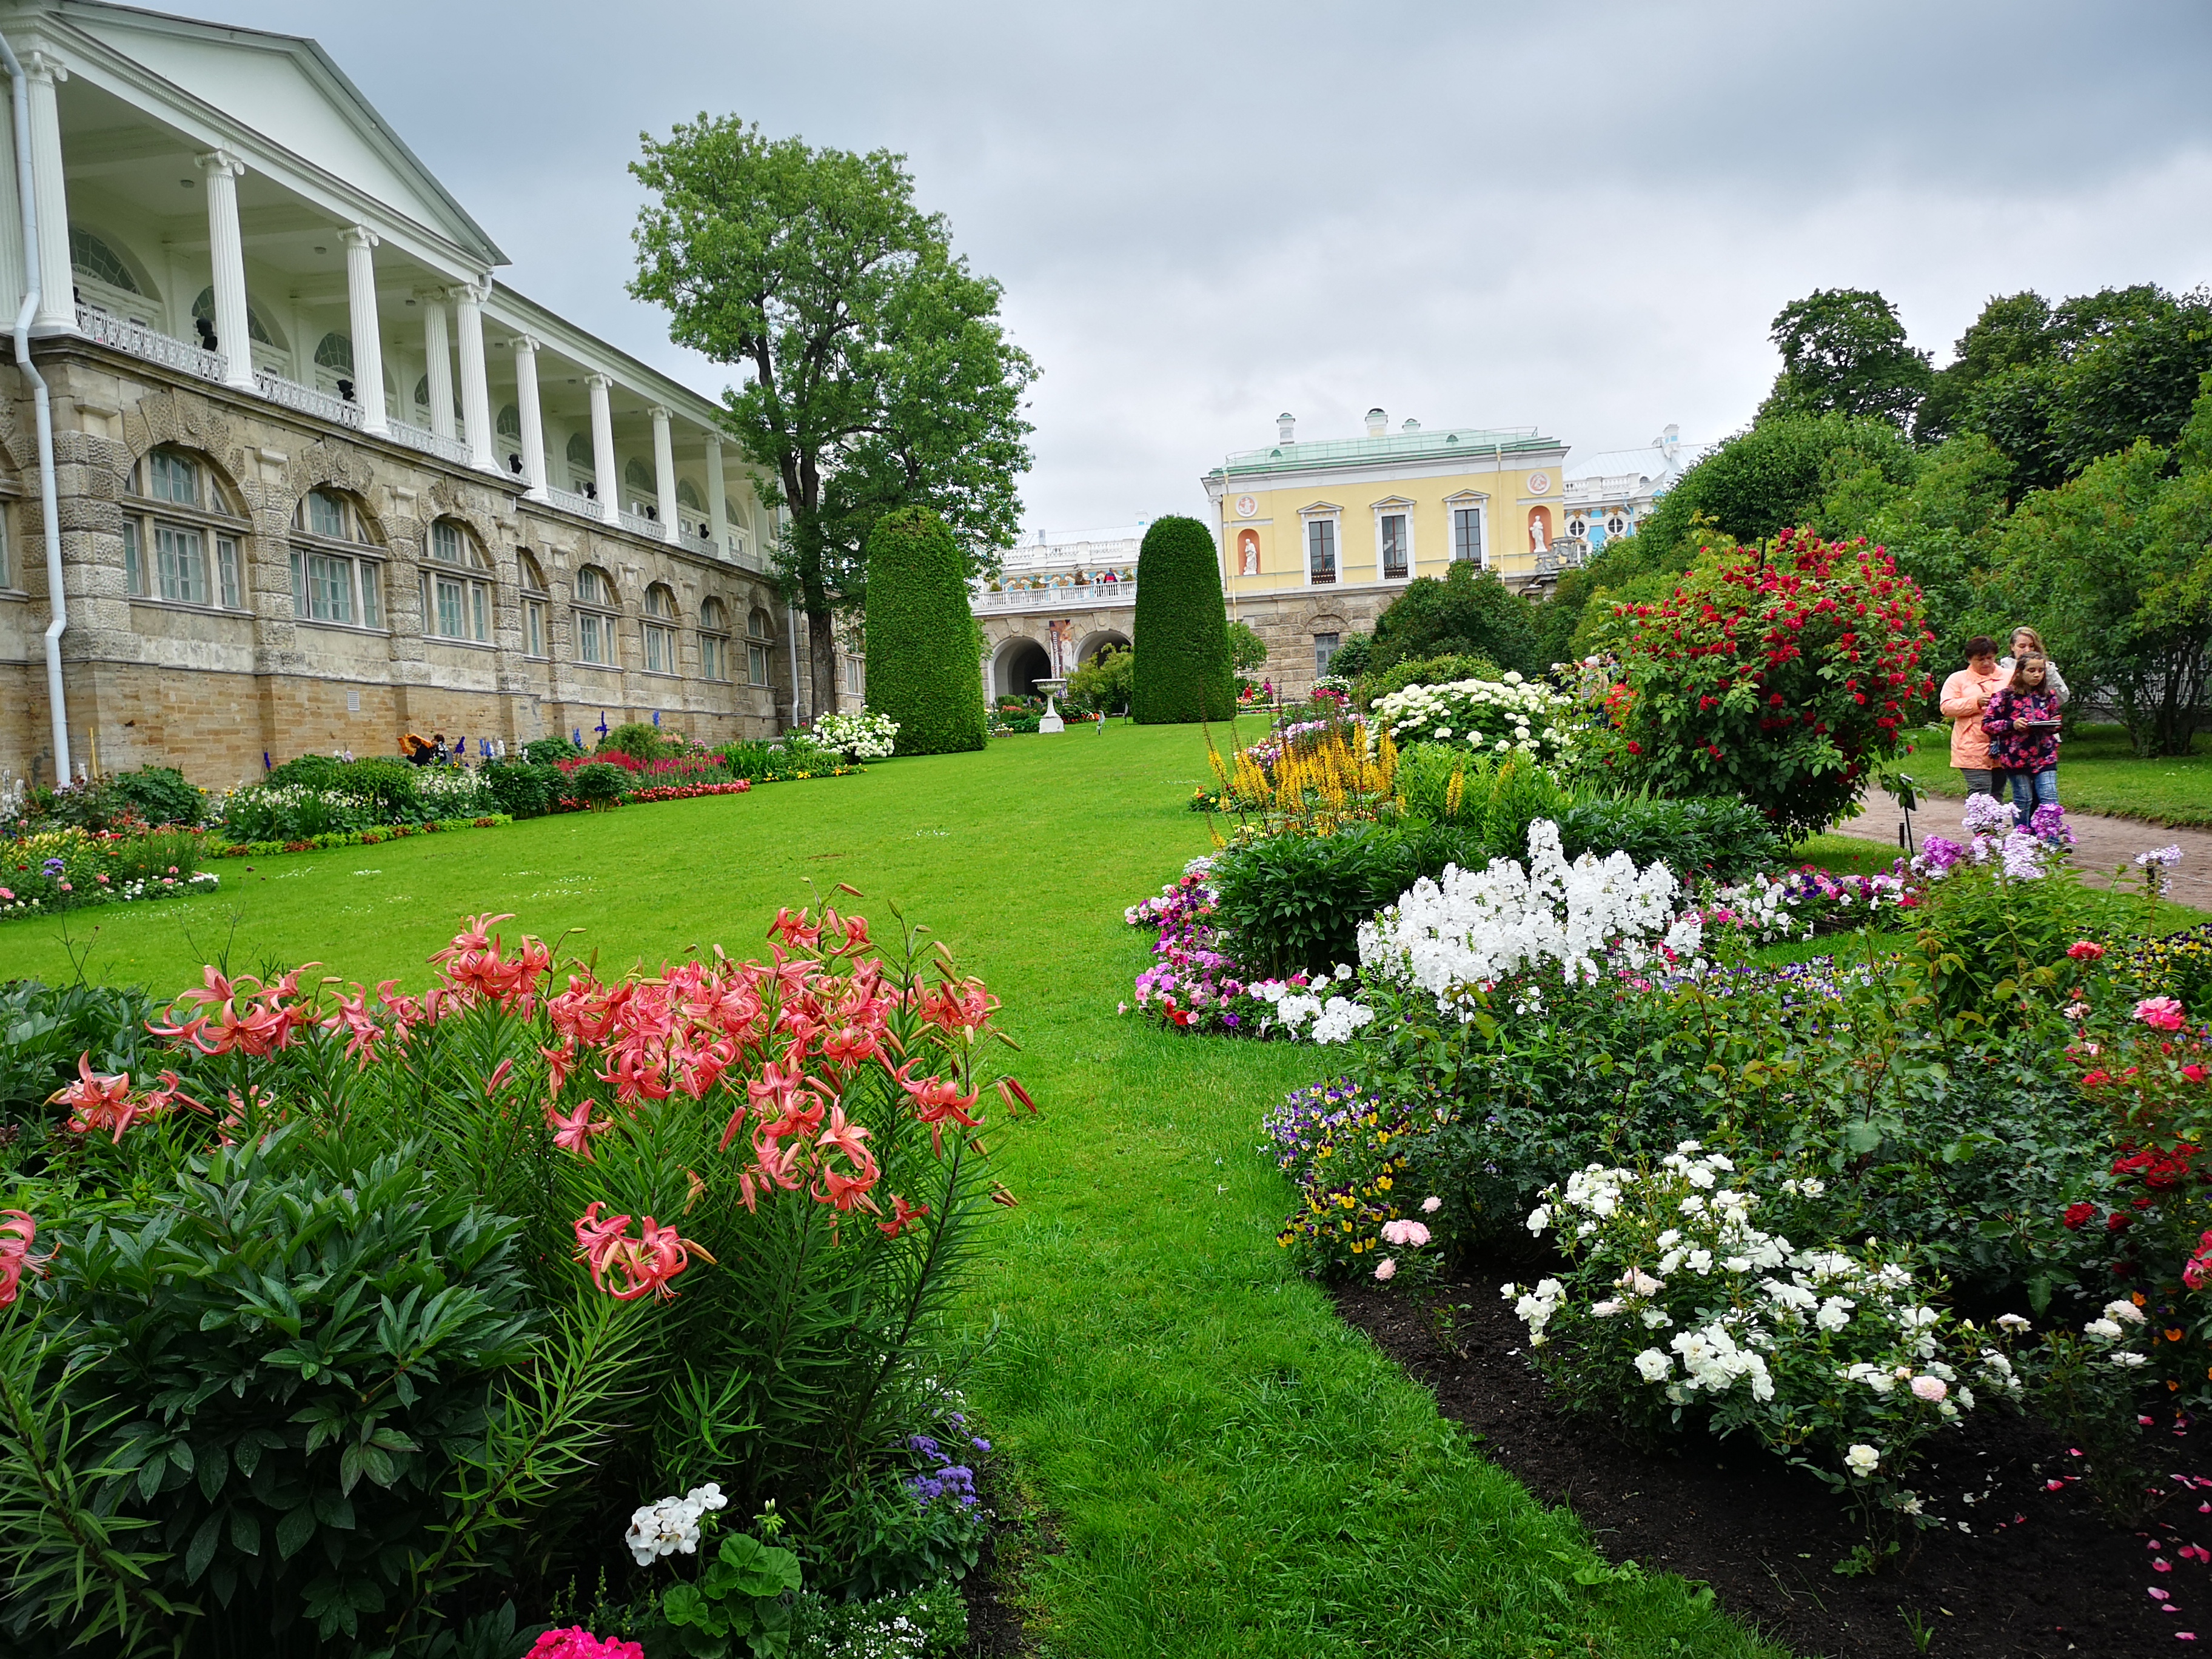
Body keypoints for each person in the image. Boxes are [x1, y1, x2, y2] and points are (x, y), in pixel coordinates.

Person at [1982, 652, 2063, 819]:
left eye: (2041, 671)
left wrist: (2053, 725)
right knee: (2023, 800)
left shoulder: (2048, 695)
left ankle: (2052, 842)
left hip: (2045, 755)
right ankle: (2022, 839)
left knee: (2050, 800)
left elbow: (2056, 719)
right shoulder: (2005, 696)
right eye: (2031, 670)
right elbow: (1987, 724)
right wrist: (2013, 724)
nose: (2037, 675)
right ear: (2019, 671)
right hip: (2016, 758)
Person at [1938, 635, 2009, 799]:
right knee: (1980, 790)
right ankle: (1980, 825)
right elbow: (1946, 707)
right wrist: (1975, 702)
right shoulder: (1958, 679)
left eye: (1990, 658)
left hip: (2003, 744)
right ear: (1970, 659)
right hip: (1970, 745)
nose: (1986, 663)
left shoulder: (2010, 676)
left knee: (1997, 792)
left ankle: (1994, 825)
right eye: (1980, 659)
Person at [1999, 625, 2070, 708]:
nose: (2027, 650)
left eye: (2031, 646)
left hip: (2041, 716)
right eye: (2022, 646)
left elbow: (2063, 697)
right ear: (2012, 647)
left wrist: (2049, 671)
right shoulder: (2002, 671)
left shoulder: (2045, 668)